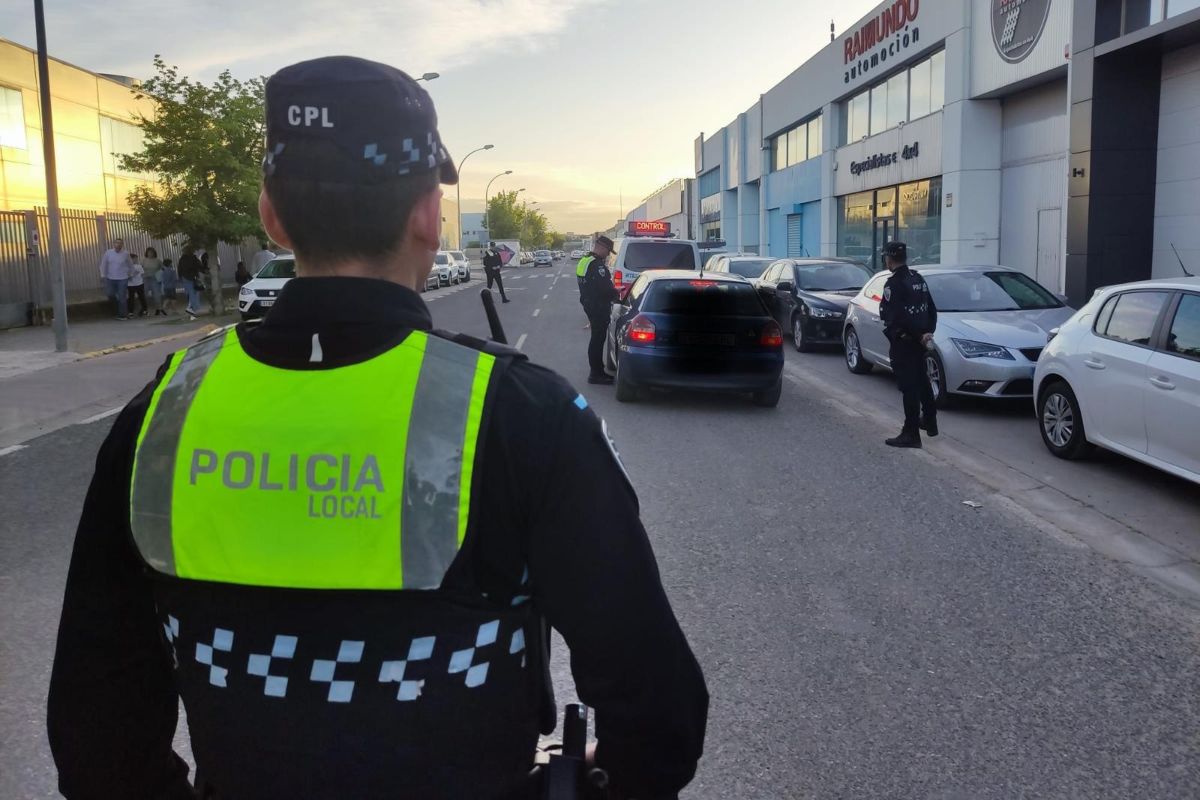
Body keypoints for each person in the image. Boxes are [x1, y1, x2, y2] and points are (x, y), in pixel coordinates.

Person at [47, 55, 708, 800]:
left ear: (272, 215)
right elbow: (660, 716)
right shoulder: (524, 416)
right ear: (427, 214)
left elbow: (95, 727)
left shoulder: (162, 416)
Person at [878, 240, 939, 448]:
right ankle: (930, 421)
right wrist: (927, 333)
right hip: (920, 341)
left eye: (886, 256)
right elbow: (931, 308)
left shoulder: (893, 284)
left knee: (909, 388)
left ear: (889, 258)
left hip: (905, 342)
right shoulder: (918, 278)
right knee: (922, 382)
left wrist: (918, 334)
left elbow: (897, 316)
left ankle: (911, 433)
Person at [577, 236, 618, 385]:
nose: (608, 254)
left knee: (595, 338)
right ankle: (596, 374)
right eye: (608, 251)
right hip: (598, 306)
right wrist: (618, 293)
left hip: (589, 304)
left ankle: (597, 370)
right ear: (601, 247)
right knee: (598, 340)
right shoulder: (597, 265)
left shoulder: (584, 261)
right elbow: (605, 289)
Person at [98, 238, 133, 320]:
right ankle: (118, 310)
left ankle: (123, 315)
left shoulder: (125, 254)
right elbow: (103, 264)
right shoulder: (108, 253)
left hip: (122, 278)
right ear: (114, 244)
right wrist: (103, 275)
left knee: (122, 296)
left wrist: (130, 274)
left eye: (120, 243)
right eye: (117, 243)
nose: (118, 245)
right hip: (110, 278)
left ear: (122, 245)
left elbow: (130, 264)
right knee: (110, 294)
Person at [177, 247, 203, 318]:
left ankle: (192, 310)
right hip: (193, 277)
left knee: (191, 293)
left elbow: (179, 268)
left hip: (185, 277)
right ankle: (192, 309)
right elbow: (199, 266)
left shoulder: (182, 259)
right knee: (194, 293)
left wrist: (180, 277)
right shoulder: (193, 258)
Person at [143, 247, 165, 316]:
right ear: (147, 253)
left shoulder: (157, 260)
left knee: (156, 295)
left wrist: (160, 274)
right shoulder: (144, 260)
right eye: (149, 252)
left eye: (152, 252)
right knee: (144, 294)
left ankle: (159, 309)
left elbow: (163, 268)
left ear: (154, 253)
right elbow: (140, 268)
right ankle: (144, 309)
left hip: (154, 279)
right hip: (145, 279)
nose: (150, 254)